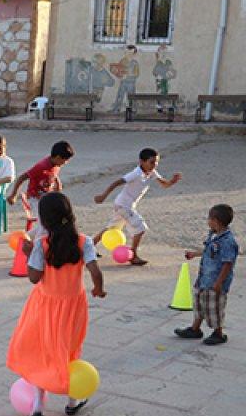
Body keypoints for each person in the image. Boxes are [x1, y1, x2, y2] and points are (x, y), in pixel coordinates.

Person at [7, 192, 105, 416]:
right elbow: (94, 269)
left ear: (44, 219)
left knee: (43, 352)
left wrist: (29, 255)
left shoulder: (42, 245)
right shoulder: (84, 241)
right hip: (73, 306)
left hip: (45, 306)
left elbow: (34, 278)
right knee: (69, 351)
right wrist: (98, 289)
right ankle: (72, 401)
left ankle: (38, 407)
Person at [93, 148, 182, 266]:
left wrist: (172, 181)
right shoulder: (136, 173)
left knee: (112, 227)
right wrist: (103, 196)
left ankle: (89, 246)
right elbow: (117, 182)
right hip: (124, 205)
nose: (154, 165)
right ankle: (133, 256)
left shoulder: (152, 173)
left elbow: (164, 184)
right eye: (151, 162)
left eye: (156, 162)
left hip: (124, 205)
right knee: (140, 228)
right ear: (141, 162)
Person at [175, 204, 237, 346]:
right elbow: (208, 250)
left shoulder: (227, 241)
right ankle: (195, 329)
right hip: (204, 278)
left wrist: (219, 283)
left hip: (215, 282)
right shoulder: (213, 235)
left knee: (214, 307)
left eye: (209, 218)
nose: (207, 221)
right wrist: (194, 254)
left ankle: (218, 333)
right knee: (199, 303)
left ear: (216, 221)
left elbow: (228, 263)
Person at [8, 140, 74, 230]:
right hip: (35, 198)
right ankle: (34, 236)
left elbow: (53, 174)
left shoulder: (57, 164)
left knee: (59, 213)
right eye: (65, 160)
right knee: (43, 221)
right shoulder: (41, 166)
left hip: (47, 196)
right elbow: (22, 178)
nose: (66, 163)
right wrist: (13, 195)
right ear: (58, 157)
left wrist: (58, 185)